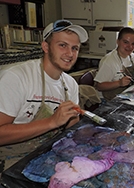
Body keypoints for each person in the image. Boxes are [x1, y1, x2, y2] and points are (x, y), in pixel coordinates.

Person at [0, 19, 88, 172]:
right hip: (13, 159)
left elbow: (71, 129)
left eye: (75, 48)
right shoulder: (17, 77)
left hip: (48, 153)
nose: (70, 53)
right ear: (45, 46)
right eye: (62, 45)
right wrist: (52, 121)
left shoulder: (70, 84)